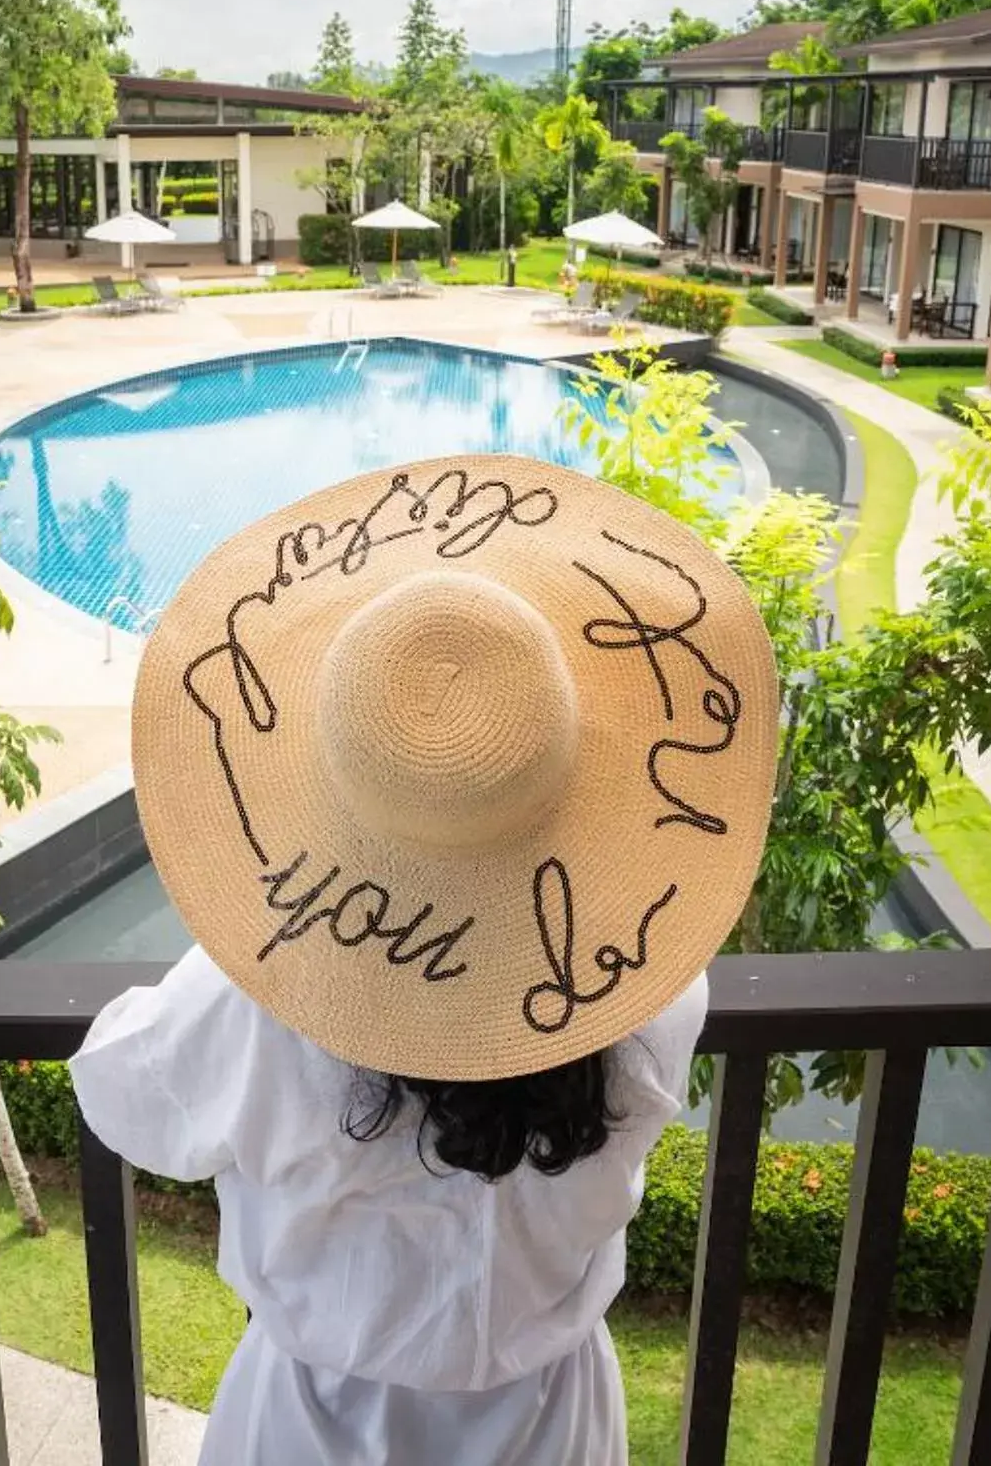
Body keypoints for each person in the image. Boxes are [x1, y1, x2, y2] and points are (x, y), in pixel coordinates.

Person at [72, 452, 779, 1465]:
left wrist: (258, 939)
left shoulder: (266, 1003)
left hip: (312, 1428)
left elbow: (123, 1094)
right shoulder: (653, 982)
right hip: (555, 1423)